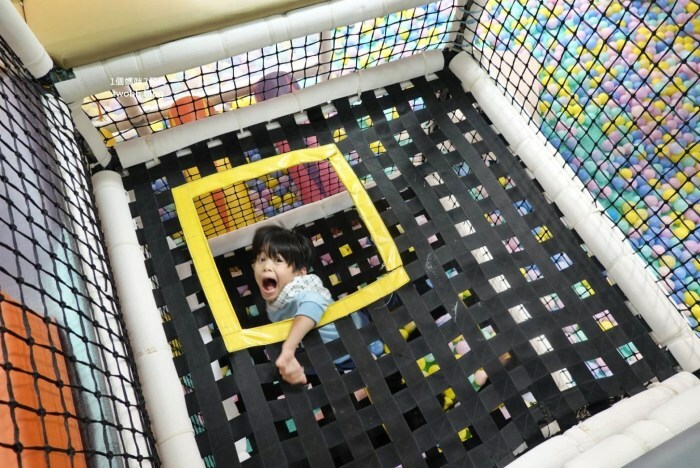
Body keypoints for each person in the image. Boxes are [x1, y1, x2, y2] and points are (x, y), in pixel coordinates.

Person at [252, 224, 348, 385]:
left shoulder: (300, 290)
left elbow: (314, 302)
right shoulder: (276, 302)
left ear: (300, 272)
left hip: (356, 342)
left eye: (278, 260)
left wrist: (288, 348)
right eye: (261, 259)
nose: (266, 267)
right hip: (328, 355)